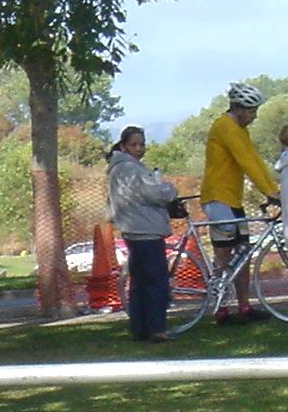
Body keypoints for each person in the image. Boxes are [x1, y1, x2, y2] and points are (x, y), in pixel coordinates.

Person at [200, 82, 277, 324]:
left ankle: (244, 306)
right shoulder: (225, 126)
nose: (254, 116)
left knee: (243, 253)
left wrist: (274, 189)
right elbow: (246, 161)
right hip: (218, 198)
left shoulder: (240, 129)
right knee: (224, 255)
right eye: (251, 111)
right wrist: (269, 192)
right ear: (238, 108)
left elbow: (255, 158)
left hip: (232, 199)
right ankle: (220, 308)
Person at [106, 124, 182, 342]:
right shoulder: (131, 169)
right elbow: (153, 193)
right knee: (156, 281)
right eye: (134, 144)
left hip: (132, 230)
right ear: (124, 146)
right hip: (146, 230)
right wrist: (170, 189)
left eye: (141, 144)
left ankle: (140, 327)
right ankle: (157, 328)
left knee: (139, 283)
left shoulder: (117, 169)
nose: (139, 149)